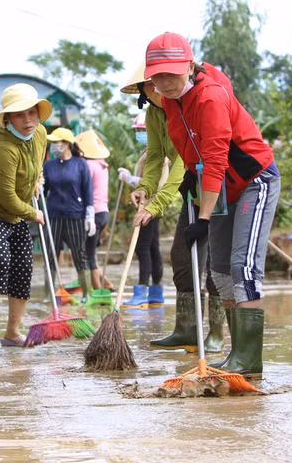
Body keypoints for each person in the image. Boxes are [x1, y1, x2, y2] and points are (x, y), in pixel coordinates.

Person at [144, 32, 280, 378]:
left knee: (242, 268)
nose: (165, 82)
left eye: (172, 73)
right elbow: (191, 150)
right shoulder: (170, 103)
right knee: (219, 272)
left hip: (254, 181)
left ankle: (250, 360)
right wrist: (191, 173)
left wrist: (203, 219)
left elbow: (217, 158)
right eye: (158, 75)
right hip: (222, 188)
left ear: (189, 66)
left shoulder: (211, 98)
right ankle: (238, 355)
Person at [120, 62, 226, 354]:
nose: (161, 87)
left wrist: (156, 206)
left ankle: (216, 333)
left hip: (218, 191)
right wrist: (144, 188)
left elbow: (182, 163)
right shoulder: (155, 113)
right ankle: (189, 329)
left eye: (166, 79)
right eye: (153, 83)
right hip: (191, 192)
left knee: (215, 263)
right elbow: (155, 157)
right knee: (182, 256)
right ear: (144, 89)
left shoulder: (189, 105)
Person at [0, 83, 50, 348]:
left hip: (17, 212)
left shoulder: (40, 134)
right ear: (8, 119)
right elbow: (6, 198)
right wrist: (32, 213)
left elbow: (37, 163)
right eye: (19, 115)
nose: (28, 120)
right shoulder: (2, 148)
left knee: (23, 268)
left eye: (32, 113)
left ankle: (12, 332)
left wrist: (37, 178)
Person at [118, 110, 166, 306]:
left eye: (141, 130)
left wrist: (130, 179)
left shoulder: (159, 154)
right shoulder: (146, 152)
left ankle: (141, 293)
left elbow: (159, 184)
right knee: (153, 247)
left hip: (151, 206)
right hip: (148, 205)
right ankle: (155, 293)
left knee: (143, 247)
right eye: (137, 130)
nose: (139, 133)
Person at [43, 127, 97, 302]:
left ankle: (87, 293)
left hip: (75, 214)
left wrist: (90, 214)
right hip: (53, 215)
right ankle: (48, 292)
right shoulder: (48, 165)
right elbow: (43, 193)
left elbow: (88, 190)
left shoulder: (80, 164)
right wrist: (38, 185)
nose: (53, 146)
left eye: (55, 143)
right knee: (51, 253)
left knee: (79, 253)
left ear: (66, 144)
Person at [75, 129, 114, 291]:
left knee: (87, 254)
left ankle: (97, 291)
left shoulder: (87, 165)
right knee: (91, 252)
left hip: (92, 213)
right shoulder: (102, 165)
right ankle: (107, 283)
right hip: (103, 212)